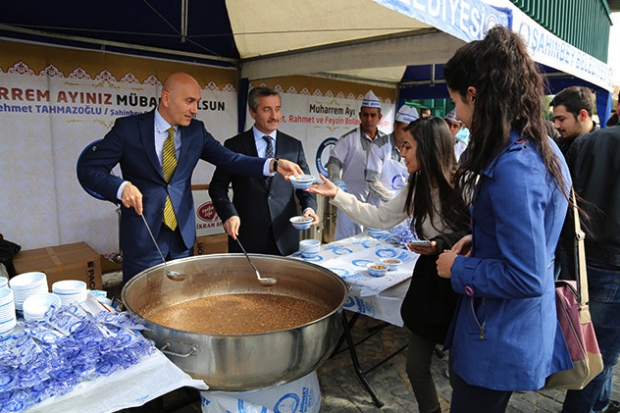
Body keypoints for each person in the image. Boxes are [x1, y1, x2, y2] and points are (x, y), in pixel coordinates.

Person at [435, 26, 572, 413]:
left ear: (474, 96)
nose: (458, 117)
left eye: (457, 104)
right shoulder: (542, 148)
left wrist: (457, 269)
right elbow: (533, 238)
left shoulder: (515, 169)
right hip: (513, 328)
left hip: (498, 336)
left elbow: (524, 276)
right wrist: (481, 243)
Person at [309, 117, 470, 413]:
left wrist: (445, 245)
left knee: (462, 371)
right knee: (416, 366)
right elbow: (380, 218)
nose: (402, 154)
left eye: (408, 147)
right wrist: (337, 195)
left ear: (430, 149)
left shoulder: (465, 184)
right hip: (430, 281)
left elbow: (482, 234)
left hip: (462, 284)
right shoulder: (417, 183)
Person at [77, 72, 303, 283]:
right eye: (189, 101)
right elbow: (90, 170)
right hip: (142, 238)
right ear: (167, 98)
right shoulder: (127, 129)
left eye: (198, 102)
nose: (195, 109)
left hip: (182, 238)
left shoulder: (197, 131)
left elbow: (231, 159)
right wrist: (121, 187)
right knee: (143, 306)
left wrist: (272, 164)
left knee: (180, 302)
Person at [560, 93, 620, 413]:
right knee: (599, 355)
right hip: (608, 266)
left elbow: (562, 201)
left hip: (581, 258)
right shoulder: (588, 143)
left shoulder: (587, 144)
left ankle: (600, 403)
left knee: (592, 349)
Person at [208, 86, 318, 256]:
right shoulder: (235, 145)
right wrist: (228, 214)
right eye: (267, 110)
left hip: (285, 236)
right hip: (246, 236)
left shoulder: (293, 146)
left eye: (277, 109)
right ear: (252, 113)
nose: (274, 116)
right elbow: (217, 186)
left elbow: (305, 185)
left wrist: (309, 208)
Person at [326, 90, 386, 240]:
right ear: (360, 115)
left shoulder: (387, 142)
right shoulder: (348, 140)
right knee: (346, 243)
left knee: (373, 242)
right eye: (365, 115)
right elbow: (333, 164)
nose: (369, 119)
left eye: (373, 115)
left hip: (376, 204)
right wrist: (336, 181)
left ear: (380, 117)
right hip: (350, 200)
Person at [365, 104, 418, 206]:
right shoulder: (377, 147)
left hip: (403, 208)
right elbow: (373, 183)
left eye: (412, 131)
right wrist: (393, 201)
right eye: (405, 129)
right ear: (395, 126)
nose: (408, 134)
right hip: (379, 207)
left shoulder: (416, 149)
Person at [550, 86, 598, 156]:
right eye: (554, 120)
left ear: (582, 115)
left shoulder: (605, 148)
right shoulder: (555, 147)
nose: (556, 125)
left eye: (561, 119)